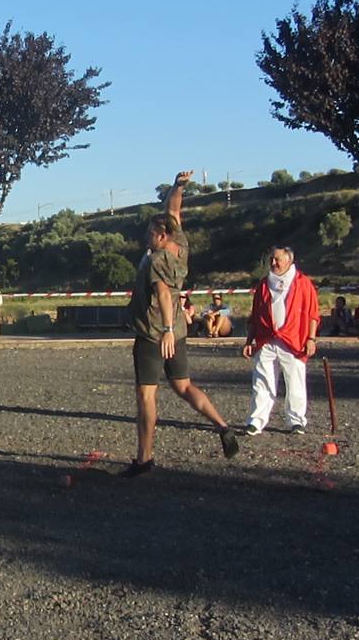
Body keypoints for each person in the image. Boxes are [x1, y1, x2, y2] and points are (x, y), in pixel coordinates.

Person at [123, 170, 239, 476]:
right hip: (178, 330)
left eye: (150, 232)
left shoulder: (156, 259)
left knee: (146, 396)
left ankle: (144, 458)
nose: (146, 236)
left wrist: (166, 331)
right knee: (184, 386)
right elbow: (173, 210)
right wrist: (179, 186)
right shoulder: (181, 246)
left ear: (161, 237)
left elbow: (161, 293)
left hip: (155, 334)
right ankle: (223, 426)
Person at [242, 247, 319, 435]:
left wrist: (311, 338)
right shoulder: (263, 284)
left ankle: (296, 421)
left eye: (278, 260)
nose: (274, 263)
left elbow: (312, 314)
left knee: (295, 381)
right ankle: (256, 421)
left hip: (293, 340)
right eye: (272, 260)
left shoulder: (303, 284)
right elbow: (256, 316)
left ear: (289, 261)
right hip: (266, 339)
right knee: (261, 381)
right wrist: (249, 341)